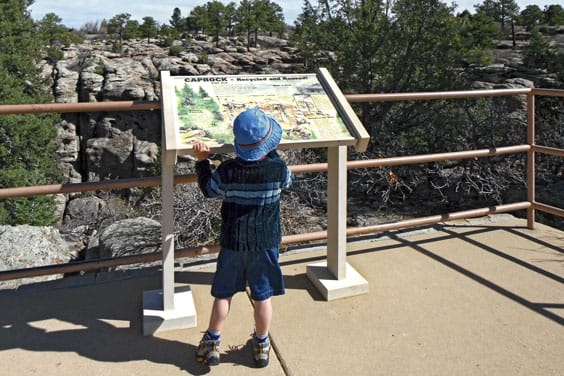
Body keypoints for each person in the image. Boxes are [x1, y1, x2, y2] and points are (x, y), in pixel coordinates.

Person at [192, 107, 293, 368]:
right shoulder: (278, 169)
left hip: (234, 240)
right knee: (262, 295)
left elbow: (209, 190)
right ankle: (261, 345)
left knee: (223, 294)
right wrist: (270, 152)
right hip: (266, 242)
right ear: (268, 144)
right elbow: (287, 181)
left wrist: (202, 162)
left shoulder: (228, 170)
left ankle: (212, 341)